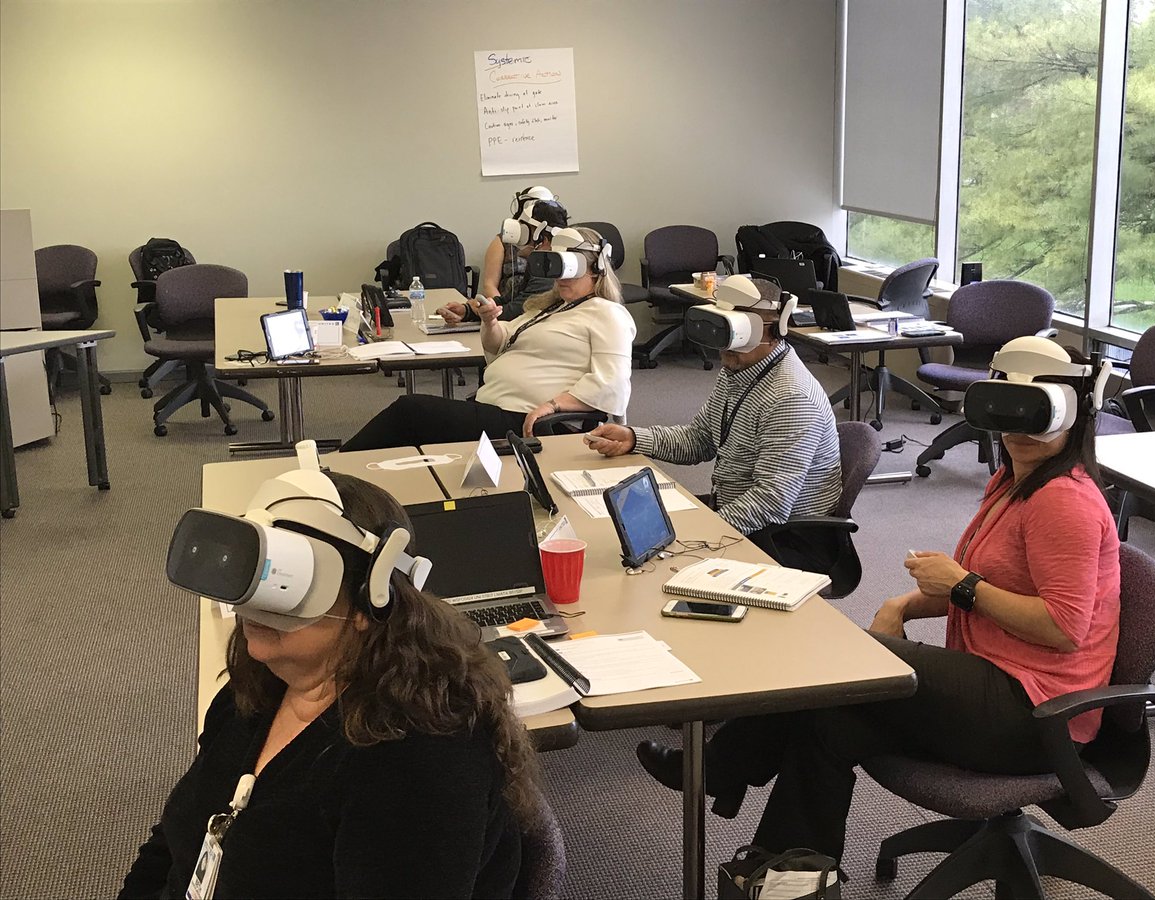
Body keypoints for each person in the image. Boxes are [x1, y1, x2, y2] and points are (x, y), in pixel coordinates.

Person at [634, 338, 1121, 864]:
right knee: (827, 722)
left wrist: (962, 585)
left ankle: (720, 768)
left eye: (1036, 414)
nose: (1017, 429)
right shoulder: (1013, 480)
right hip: (996, 682)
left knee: (839, 656)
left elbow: (1061, 627)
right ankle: (789, 871)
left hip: (1037, 715)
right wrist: (904, 606)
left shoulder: (1063, 501)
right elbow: (991, 589)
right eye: (1006, 408)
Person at [120, 469, 538, 898]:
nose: (256, 600)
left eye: (287, 578)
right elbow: (179, 838)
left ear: (368, 600)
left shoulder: (421, 765)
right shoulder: (256, 688)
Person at [584, 275, 841, 548]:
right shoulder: (738, 370)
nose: (727, 342)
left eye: (739, 329)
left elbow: (770, 502)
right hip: (736, 515)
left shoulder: (790, 398)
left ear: (775, 329)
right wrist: (634, 438)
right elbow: (700, 439)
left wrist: (699, 535)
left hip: (783, 541)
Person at [343, 226, 635, 450]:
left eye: (571, 268)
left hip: (528, 420)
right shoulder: (550, 307)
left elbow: (611, 384)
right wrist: (490, 321)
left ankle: (333, 473)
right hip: (494, 407)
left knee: (411, 411)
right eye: (555, 267)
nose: (561, 278)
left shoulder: (607, 314)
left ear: (596, 268)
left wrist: (553, 405)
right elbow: (500, 342)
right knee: (410, 432)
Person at [437, 186, 570, 324]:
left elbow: (523, 309)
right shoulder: (537, 261)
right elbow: (511, 299)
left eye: (524, 230)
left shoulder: (550, 265)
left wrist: (479, 312)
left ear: (542, 238)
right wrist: (467, 311)